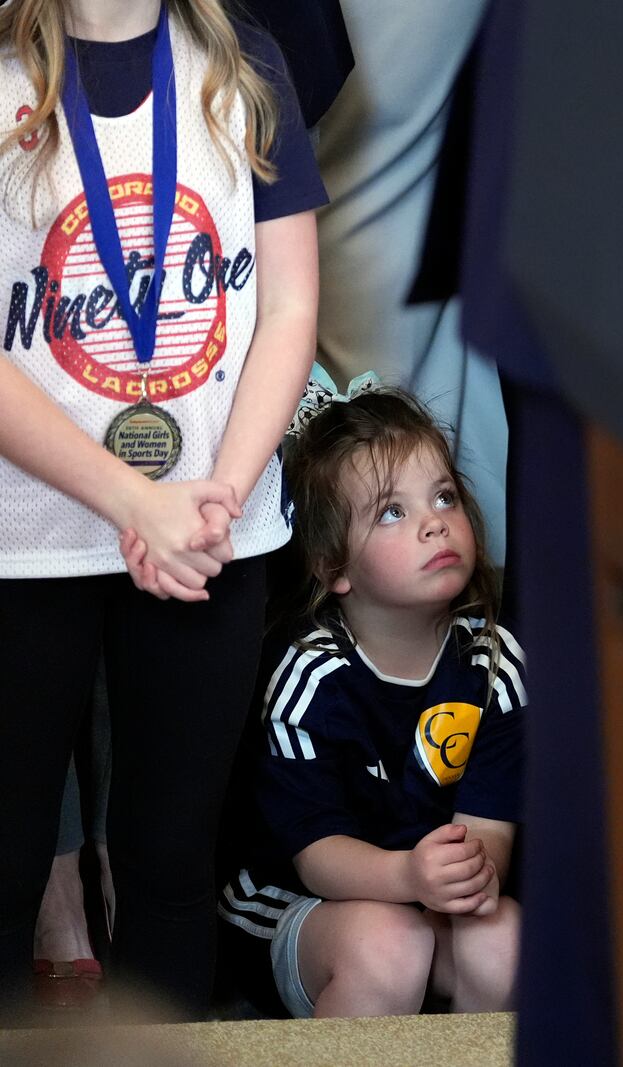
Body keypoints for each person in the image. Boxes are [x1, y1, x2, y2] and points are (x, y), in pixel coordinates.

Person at [0, 0, 322, 1020]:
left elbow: (291, 307)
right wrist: (137, 499)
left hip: (212, 529)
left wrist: (216, 494)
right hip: (24, 542)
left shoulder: (248, 67)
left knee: (174, 859)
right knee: (5, 861)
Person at [218, 385, 523, 1018]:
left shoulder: (495, 663)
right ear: (334, 567)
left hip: (425, 895)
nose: (434, 521)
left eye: (443, 496)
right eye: (391, 512)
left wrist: (470, 873)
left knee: (504, 938)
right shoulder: (312, 677)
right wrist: (408, 878)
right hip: (304, 901)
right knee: (392, 944)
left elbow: (490, 829)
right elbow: (315, 853)